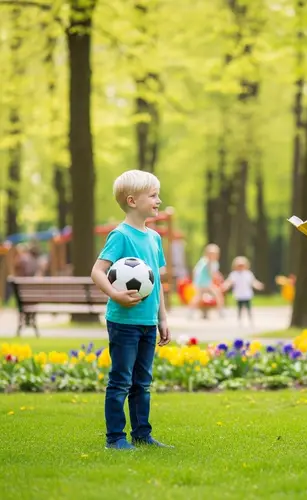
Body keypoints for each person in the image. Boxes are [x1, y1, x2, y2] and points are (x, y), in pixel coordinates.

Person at [91, 170, 172, 450]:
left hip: (148, 322)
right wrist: (115, 294)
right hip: (123, 321)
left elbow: (157, 282)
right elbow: (97, 271)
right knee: (121, 381)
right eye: (153, 195)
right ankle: (115, 438)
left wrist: (162, 318)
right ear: (132, 201)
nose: (158, 200)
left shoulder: (155, 238)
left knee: (142, 382)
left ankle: (142, 434)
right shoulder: (120, 235)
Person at [223, 256, 264, 326]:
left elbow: (253, 282)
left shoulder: (248, 274)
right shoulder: (234, 274)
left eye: (242, 266)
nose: (240, 267)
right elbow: (229, 282)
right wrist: (224, 286)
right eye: (239, 266)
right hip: (239, 295)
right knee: (239, 308)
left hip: (247, 295)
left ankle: (250, 319)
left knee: (248, 308)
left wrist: (258, 285)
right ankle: (239, 320)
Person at [189, 243, 224, 317]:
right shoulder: (205, 262)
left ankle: (220, 310)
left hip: (207, 283)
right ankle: (191, 311)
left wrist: (218, 275)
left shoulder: (214, 263)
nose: (212, 256)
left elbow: (215, 272)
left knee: (217, 294)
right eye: (210, 254)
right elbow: (210, 272)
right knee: (198, 297)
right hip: (202, 283)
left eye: (214, 254)